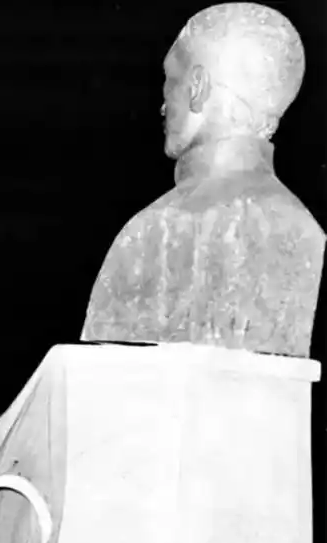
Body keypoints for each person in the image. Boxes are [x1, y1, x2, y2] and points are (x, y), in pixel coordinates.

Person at [82, 2, 323, 358]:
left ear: (197, 86)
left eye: (170, 80)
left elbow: (99, 391)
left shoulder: (151, 233)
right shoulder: (309, 234)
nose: (163, 105)